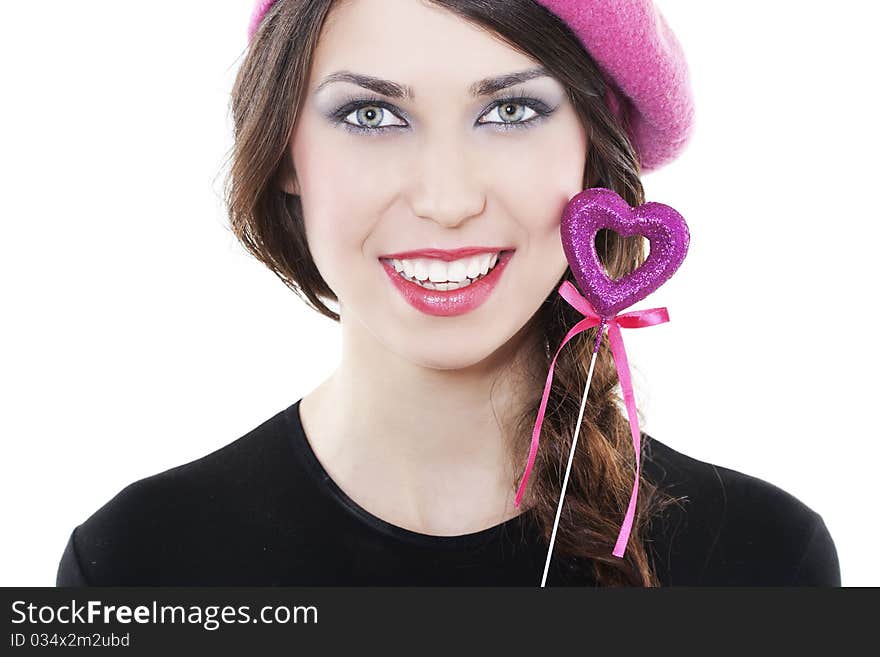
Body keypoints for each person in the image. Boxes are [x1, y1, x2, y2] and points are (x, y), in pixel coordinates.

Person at [56, 0, 840, 587]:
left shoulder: (766, 560)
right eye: (371, 114)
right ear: (286, 147)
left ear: (591, 154)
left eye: (509, 110)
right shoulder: (133, 564)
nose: (446, 199)